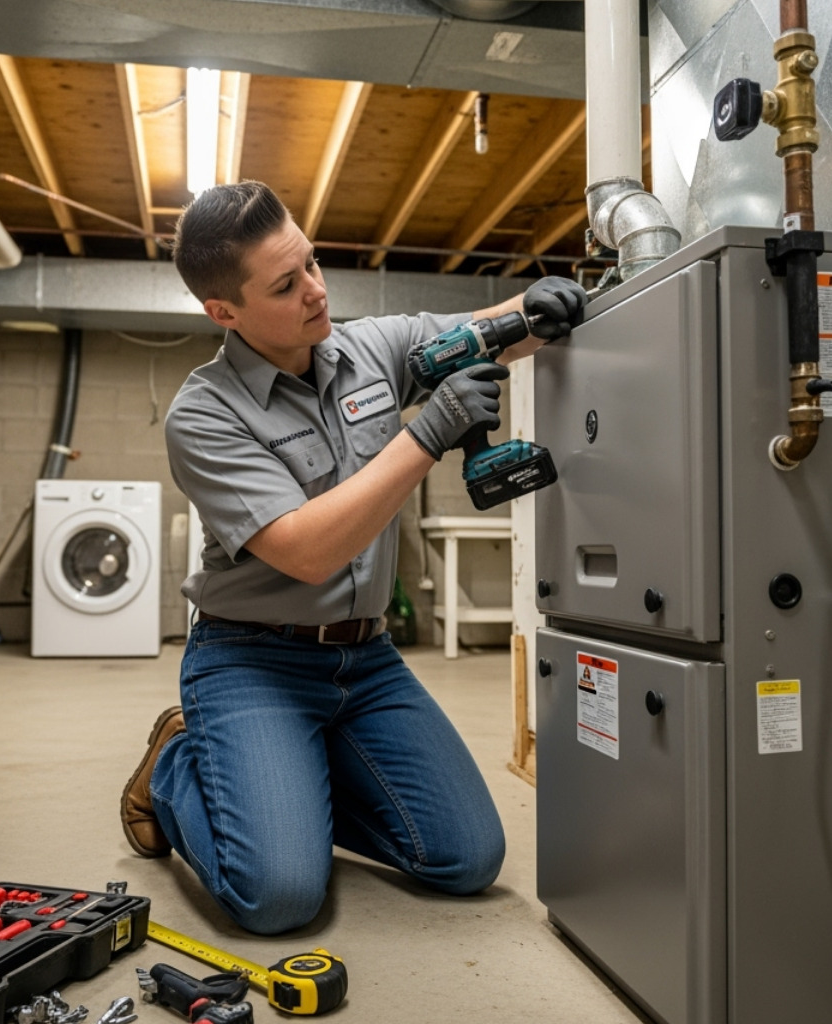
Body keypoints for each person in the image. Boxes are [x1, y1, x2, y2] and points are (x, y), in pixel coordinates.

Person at [120, 180, 587, 935]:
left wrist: (538, 309)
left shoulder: (369, 348)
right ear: (224, 312)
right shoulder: (204, 414)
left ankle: (288, 788)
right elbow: (306, 549)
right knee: (278, 898)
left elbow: (477, 329)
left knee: (466, 860)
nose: (314, 291)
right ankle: (178, 766)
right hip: (251, 662)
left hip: (366, 664)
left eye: (310, 263)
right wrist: (427, 433)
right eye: (285, 283)